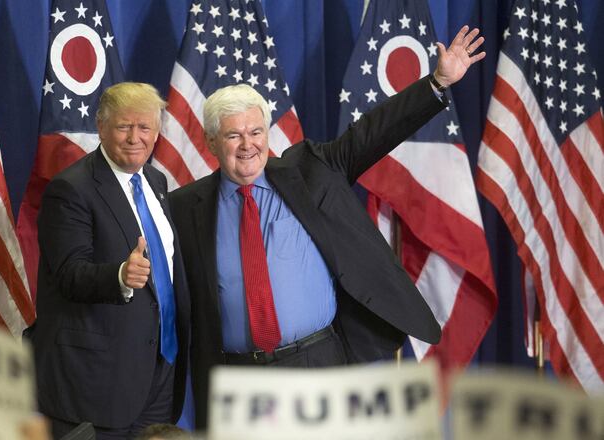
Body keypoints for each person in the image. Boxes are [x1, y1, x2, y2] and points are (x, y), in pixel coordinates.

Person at [168, 26, 486, 428]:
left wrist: (437, 82)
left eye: (255, 132)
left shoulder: (312, 170)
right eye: (233, 135)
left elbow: (372, 132)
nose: (247, 144)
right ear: (211, 141)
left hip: (317, 363)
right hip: (236, 379)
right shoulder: (183, 206)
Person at [30, 82, 190, 439]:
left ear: (157, 131)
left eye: (145, 127)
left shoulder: (155, 181)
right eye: (124, 126)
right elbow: (69, 273)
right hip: (96, 381)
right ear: (101, 128)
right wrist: (119, 275)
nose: (135, 137)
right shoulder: (70, 189)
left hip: (158, 371)